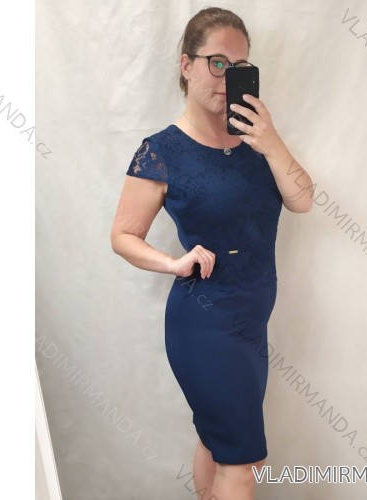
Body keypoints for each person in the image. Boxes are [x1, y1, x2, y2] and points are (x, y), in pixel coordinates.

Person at [110, 6, 313, 500]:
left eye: (239, 67)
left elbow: (303, 200)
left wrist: (271, 141)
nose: (227, 77)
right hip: (204, 323)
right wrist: (172, 263)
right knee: (244, 461)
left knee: (217, 442)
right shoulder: (162, 151)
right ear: (187, 65)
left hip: (252, 325)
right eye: (217, 63)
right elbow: (123, 235)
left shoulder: (258, 143)